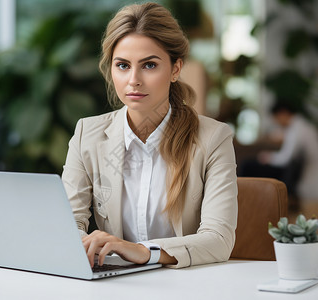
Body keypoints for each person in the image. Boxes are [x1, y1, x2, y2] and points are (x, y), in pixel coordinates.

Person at [62, 2, 238, 269]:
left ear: (175, 69)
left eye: (149, 65)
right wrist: (80, 243)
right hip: (115, 285)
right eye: (122, 65)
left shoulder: (214, 139)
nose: (134, 79)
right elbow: (67, 223)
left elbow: (218, 239)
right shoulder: (87, 134)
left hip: (187, 284)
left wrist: (143, 251)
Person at [241, 102, 318, 202]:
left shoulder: (299, 129)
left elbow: (286, 158)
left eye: (276, 119)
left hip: (313, 185)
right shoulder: (299, 126)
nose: (277, 123)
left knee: (248, 166)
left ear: (283, 113)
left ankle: (244, 198)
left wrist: (269, 158)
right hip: (310, 179)